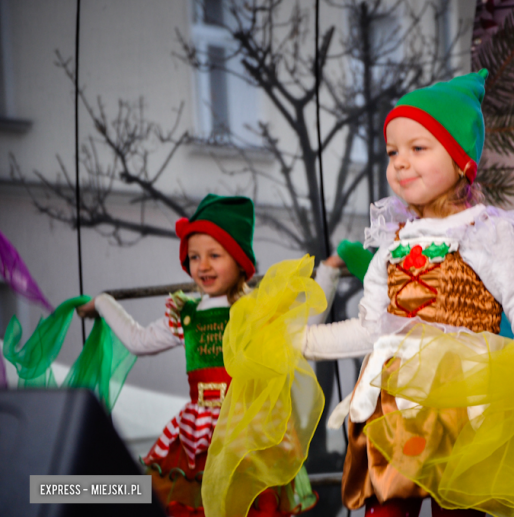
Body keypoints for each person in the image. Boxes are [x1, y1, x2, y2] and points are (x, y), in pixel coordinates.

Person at [294, 69, 514, 517]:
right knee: (387, 505)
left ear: (461, 161)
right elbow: (372, 328)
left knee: (458, 506)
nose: (400, 162)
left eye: (418, 148)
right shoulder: (394, 245)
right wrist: (301, 342)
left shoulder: (487, 231)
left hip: (465, 396)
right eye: (392, 151)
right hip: (398, 403)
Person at [77, 194, 341, 517]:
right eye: (194, 256)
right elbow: (139, 340)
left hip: (247, 436)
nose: (202, 265)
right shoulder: (186, 315)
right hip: (196, 437)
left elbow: (305, 327)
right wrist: (104, 303)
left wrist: (329, 272)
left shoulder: (256, 312)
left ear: (240, 260)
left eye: (214, 255)